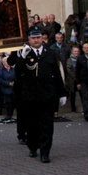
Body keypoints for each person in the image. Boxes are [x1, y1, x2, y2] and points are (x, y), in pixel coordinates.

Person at [14, 27, 67, 163]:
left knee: (47, 125)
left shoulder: (50, 53)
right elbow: (18, 72)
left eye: (38, 37)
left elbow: (56, 75)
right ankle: (32, 146)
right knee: (32, 124)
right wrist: (22, 57)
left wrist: (62, 93)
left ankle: (45, 152)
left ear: (42, 39)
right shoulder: (24, 53)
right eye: (33, 38)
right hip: (30, 96)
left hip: (47, 95)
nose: (36, 40)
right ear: (29, 39)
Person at [76, 42, 88, 122]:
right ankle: (87, 113)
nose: (86, 49)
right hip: (84, 81)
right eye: (85, 48)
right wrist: (78, 82)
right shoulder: (80, 58)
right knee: (85, 97)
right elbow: (77, 71)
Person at [0, 55, 16, 121]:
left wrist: (14, 83)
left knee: (14, 102)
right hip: (6, 89)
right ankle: (8, 115)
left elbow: (16, 76)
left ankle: (13, 115)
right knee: (8, 103)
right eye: (6, 61)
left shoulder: (13, 69)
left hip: (13, 88)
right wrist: (8, 83)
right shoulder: (1, 70)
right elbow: (0, 79)